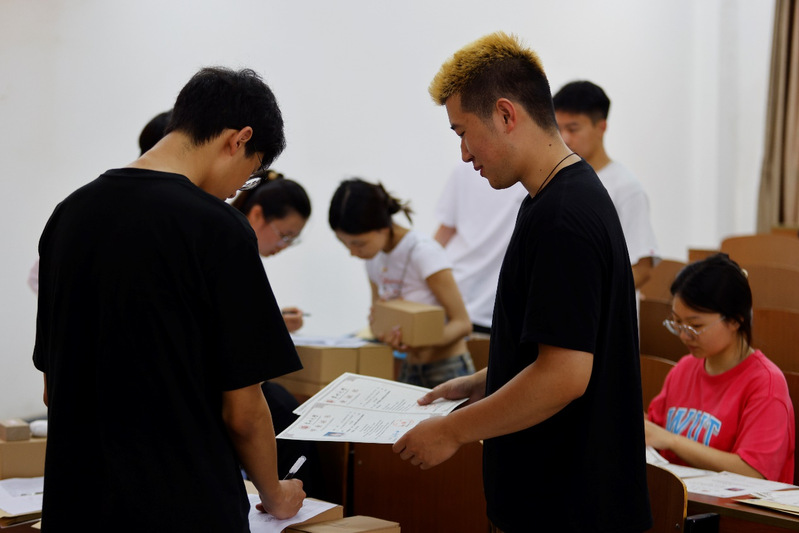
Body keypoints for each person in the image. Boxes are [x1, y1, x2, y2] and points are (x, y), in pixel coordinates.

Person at [392, 32, 651, 532]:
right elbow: (561, 345)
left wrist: (451, 432)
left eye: (463, 132)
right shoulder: (551, 198)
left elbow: (564, 376)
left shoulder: (563, 216)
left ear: (506, 114)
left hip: (569, 508)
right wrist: (483, 381)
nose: (464, 153)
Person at [33, 67, 306, 531]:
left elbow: (51, 387)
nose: (236, 191)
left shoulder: (68, 214)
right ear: (238, 140)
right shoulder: (218, 228)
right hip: (183, 509)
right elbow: (243, 412)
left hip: (76, 508)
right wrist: (276, 495)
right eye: (250, 175)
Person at [646, 253, 795, 483]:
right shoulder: (684, 368)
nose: (684, 335)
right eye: (677, 323)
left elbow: (753, 472)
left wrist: (672, 441)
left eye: (695, 326)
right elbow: (654, 430)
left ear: (735, 320)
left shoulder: (766, 384)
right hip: (679, 499)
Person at [329, 178, 474, 388]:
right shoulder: (373, 259)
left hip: (447, 368)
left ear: (382, 228)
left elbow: (463, 324)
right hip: (409, 367)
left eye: (358, 243)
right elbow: (378, 317)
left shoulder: (423, 252)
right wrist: (381, 329)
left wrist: (421, 342)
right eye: (345, 244)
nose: (352, 253)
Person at [553, 80, 659, 289]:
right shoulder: (557, 182)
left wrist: (594, 298)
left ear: (601, 127)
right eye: (558, 128)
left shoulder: (626, 188)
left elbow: (642, 268)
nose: (564, 138)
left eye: (573, 129)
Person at [433, 164, 526, 333]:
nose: (465, 154)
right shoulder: (463, 169)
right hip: (455, 302)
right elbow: (444, 233)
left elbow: (444, 233)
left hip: (492, 308)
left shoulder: (529, 177)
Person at [231, 168, 312, 332]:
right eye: (285, 235)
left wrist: (276, 320)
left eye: (292, 239)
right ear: (257, 215)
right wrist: (273, 323)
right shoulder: (225, 253)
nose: (284, 245)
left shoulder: (242, 254)